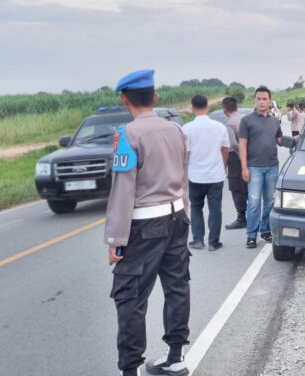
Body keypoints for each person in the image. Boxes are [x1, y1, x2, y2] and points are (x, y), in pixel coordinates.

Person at [105, 69, 191, 376]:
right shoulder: (177, 131)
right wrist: (184, 212)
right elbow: (183, 177)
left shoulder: (127, 135)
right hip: (177, 216)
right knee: (177, 286)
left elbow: (123, 189)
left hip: (145, 225)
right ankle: (175, 356)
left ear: (123, 99)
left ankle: (131, 369)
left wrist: (116, 237)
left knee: (130, 297)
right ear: (154, 98)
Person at [239, 86, 295, 248]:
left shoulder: (273, 120)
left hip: (272, 166)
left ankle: (265, 230)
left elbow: (279, 140)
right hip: (254, 167)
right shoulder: (247, 120)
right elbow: (242, 145)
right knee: (254, 201)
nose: (261, 102)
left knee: (270, 201)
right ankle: (251, 235)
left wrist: (298, 140)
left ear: (270, 101)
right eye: (259, 98)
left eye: (265, 99)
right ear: (255, 100)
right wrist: (244, 167)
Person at [182, 95, 229, 251]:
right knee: (215, 209)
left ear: (192, 108)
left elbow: (186, 153)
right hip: (215, 175)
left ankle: (198, 240)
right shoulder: (220, 127)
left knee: (196, 207)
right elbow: (225, 150)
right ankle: (214, 242)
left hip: (195, 175)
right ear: (208, 106)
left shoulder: (187, 128)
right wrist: (223, 167)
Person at [222, 96, 248, 230]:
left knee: (236, 188)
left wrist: (242, 158)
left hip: (236, 158)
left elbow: (233, 144)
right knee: (248, 187)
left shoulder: (229, 123)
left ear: (225, 109)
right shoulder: (245, 118)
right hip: (250, 156)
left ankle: (241, 218)